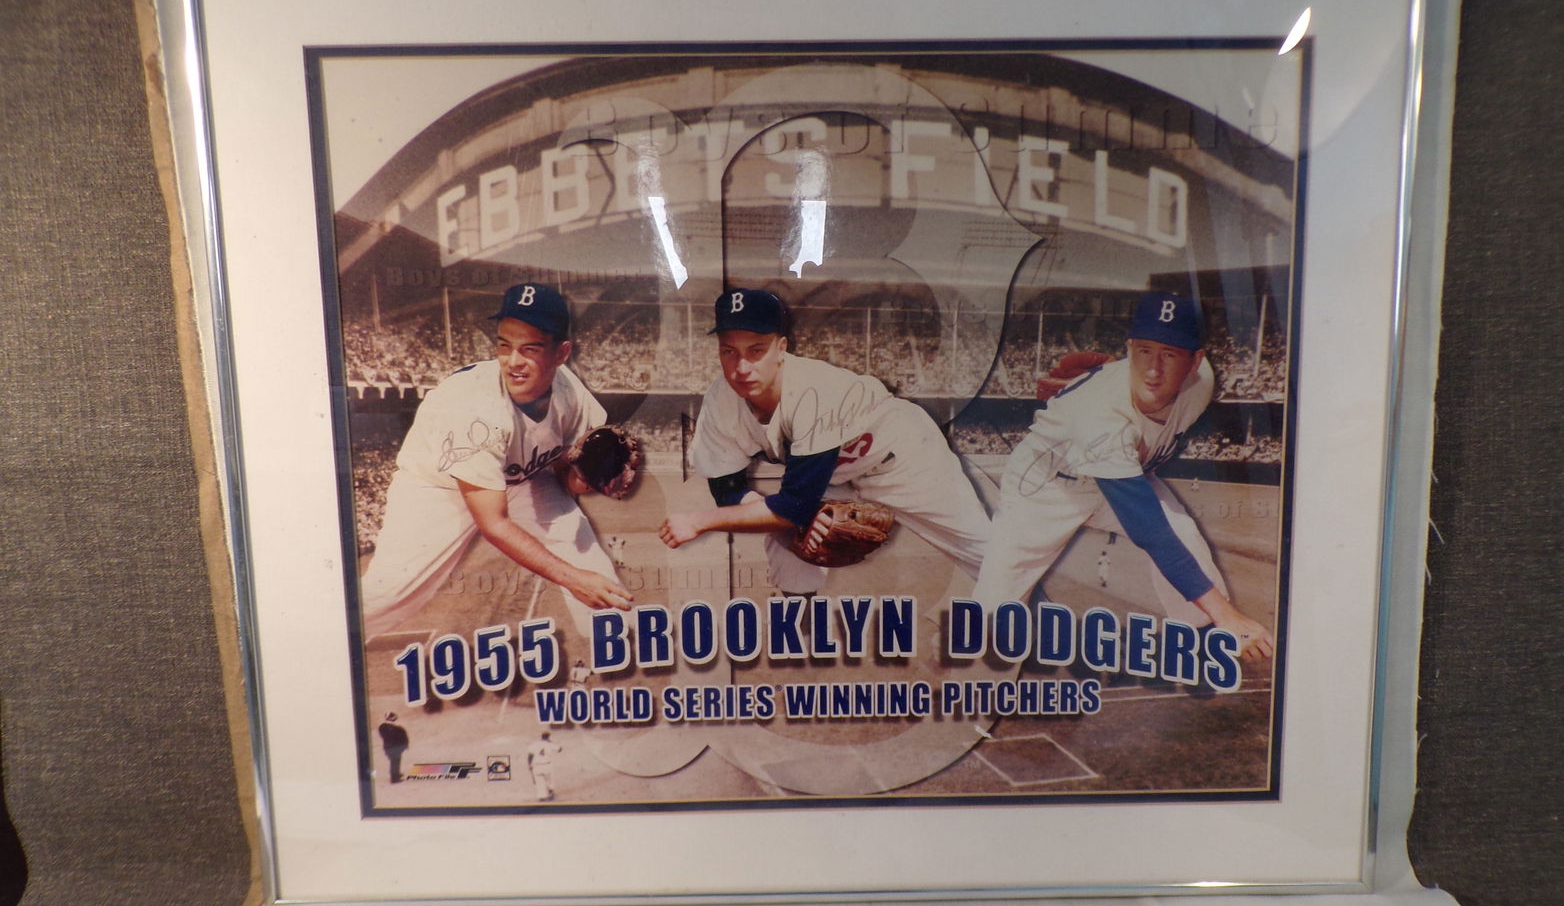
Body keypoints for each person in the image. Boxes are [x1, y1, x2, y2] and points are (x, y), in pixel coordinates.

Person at [972, 290, 1274, 663]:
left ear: (1196, 360)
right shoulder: (1101, 414)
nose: (1154, 370)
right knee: (991, 615)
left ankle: (1203, 638)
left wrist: (1221, 618)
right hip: (1047, 488)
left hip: (1120, 472)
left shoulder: (1201, 383)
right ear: (1130, 348)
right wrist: (1229, 613)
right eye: (1145, 350)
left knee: (1185, 536)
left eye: (1170, 354)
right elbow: (1150, 530)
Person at [659, 288, 990, 591]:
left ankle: (1016, 622)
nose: (741, 367)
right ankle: (797, 627)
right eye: (729, 351)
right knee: (784, 543)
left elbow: (794, 507)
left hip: (901, 456)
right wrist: (779, 521)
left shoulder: (812, 389)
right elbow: (726, 487)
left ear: (781, 348)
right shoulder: (720, 401)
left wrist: (698, 521)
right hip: (833, 475)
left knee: (989, 558)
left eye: (756, 350)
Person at [361, 282, 633, 639]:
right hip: (438, 488)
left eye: (530, 349)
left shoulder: (570, 394)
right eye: (504, 346)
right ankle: (326, 644)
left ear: (561, 353)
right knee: (390, 594)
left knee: (580, 547)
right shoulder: (474, 407)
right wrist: (572, 579)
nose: (513, 361)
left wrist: (587, 478)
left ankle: (619, 644)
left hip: (521, 477)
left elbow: (566, 470)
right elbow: (494, 523)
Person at [376, 712, 409, 784]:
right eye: (394, 718)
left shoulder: (387, 727)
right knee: (394, 762)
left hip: (391, 747)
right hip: (392, 748)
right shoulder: (387, 728)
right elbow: (391, 736)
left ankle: (396, 773)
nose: (395, 719)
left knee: (396, 761)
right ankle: (394, 778)